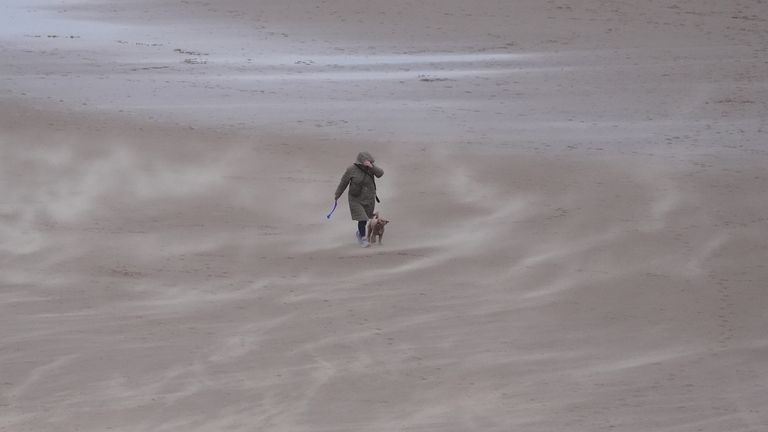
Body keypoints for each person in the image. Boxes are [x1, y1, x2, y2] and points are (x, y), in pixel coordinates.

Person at [334, 151, 384, 247]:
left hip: (369, 198)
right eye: (365, 161)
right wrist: (337, 195)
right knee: (362, 218)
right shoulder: (351, 169)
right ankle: (363, 239)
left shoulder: (371, 168)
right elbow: (343, 183)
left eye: (369, 161)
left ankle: (359, 234)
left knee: (365, 219)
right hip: (355, 198)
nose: (367, 162)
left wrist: (371, 166)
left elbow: (380, 174)